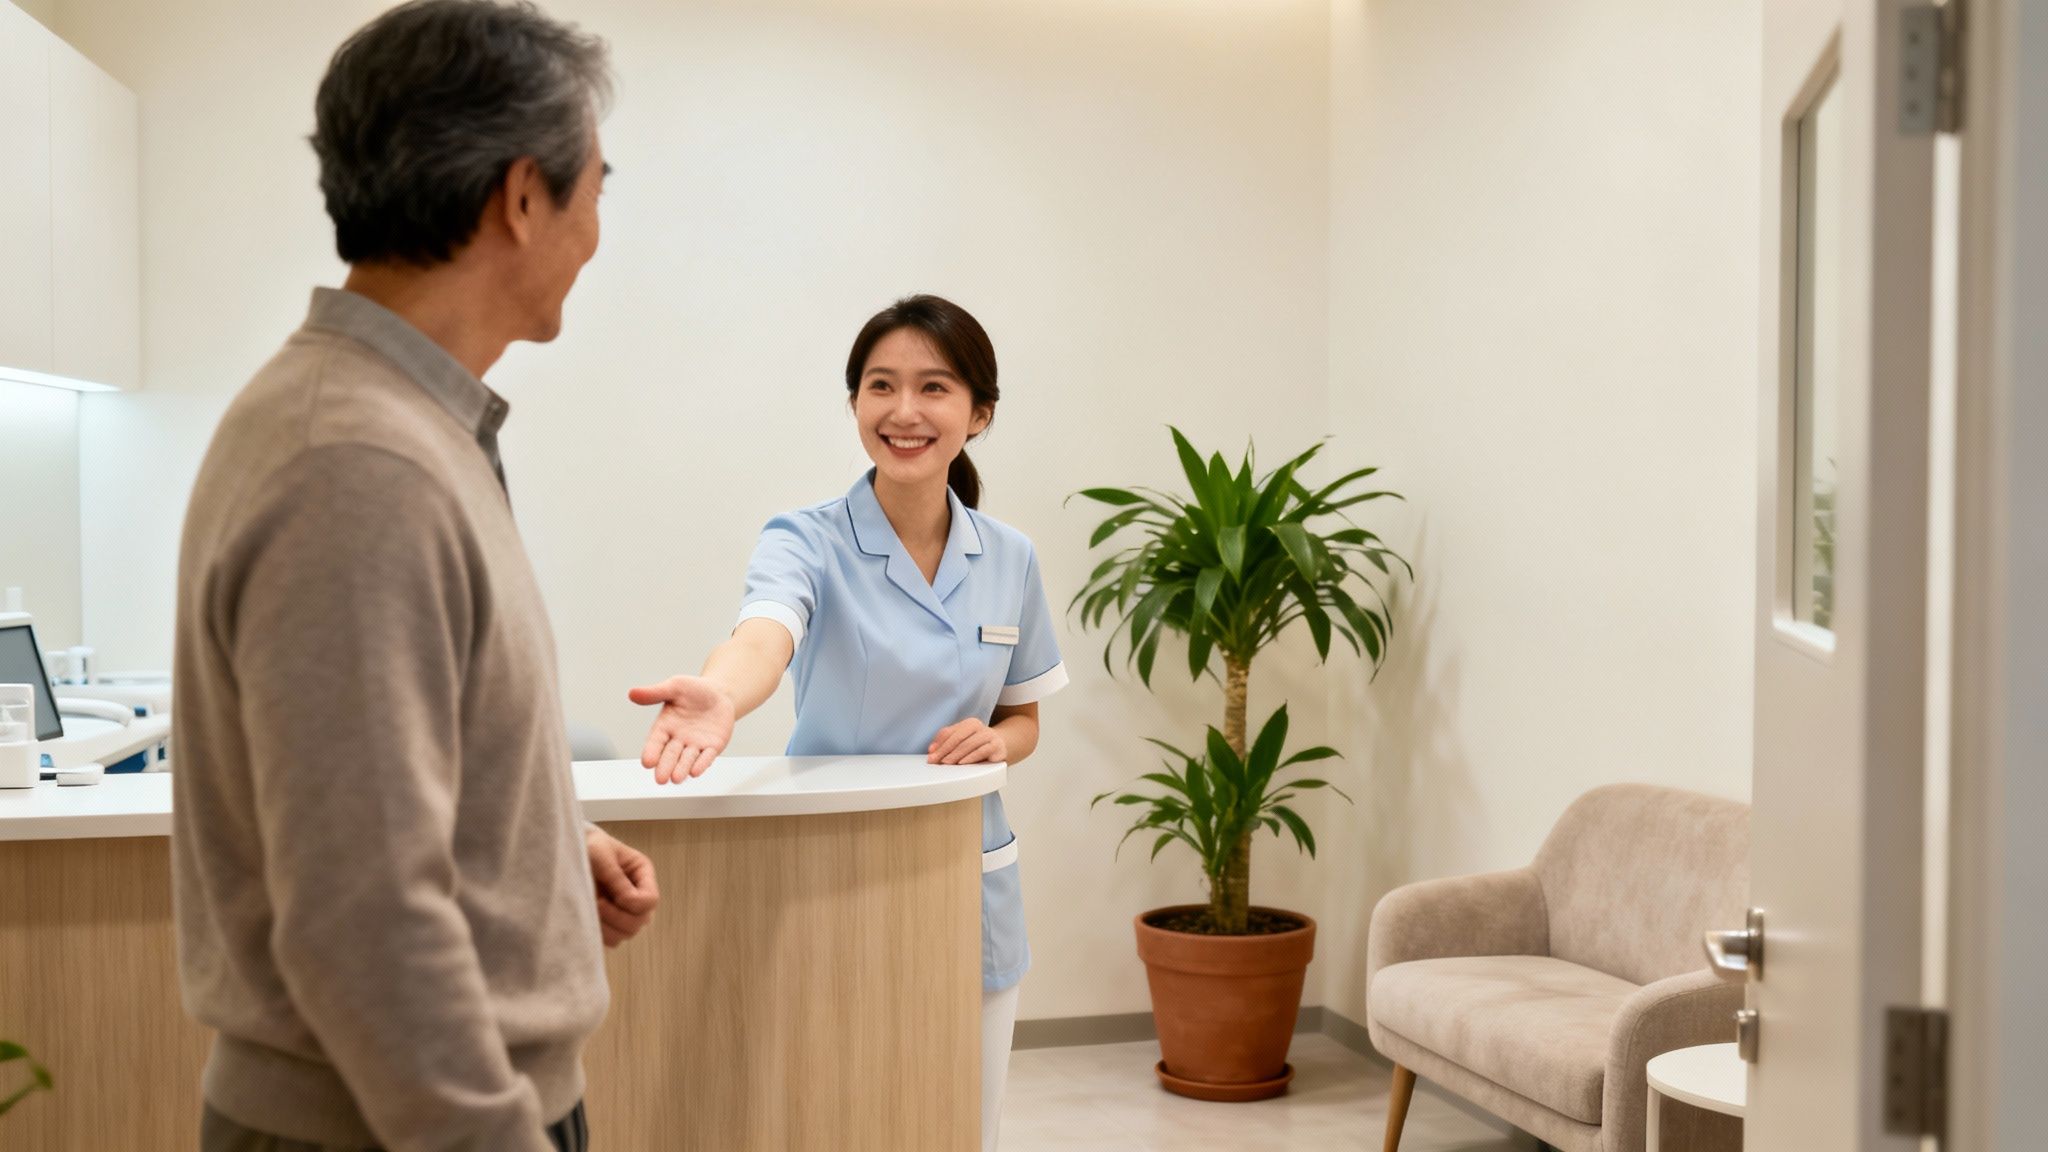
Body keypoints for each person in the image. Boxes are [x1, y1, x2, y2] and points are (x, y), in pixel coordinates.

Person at [171, 4, 657, 1149]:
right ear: (522, 196)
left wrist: (533, 849)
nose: (597, 226)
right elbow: (360, 919)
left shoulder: (395, 426)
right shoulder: (354, 462)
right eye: (596, 185)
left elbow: (381, 785)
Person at [629, 293, 1066, 1151]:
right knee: (835, 1116)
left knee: (961, 1125)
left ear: (978, 414)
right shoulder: (807, 538)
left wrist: (996, 741)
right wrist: (724, 691)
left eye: (934, 388)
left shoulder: (1010, 556)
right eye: (880, 386)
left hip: (966, 875)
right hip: (829, 874)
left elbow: (1023, 718)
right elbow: (767, 631)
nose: (904, 412)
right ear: (855, 404)